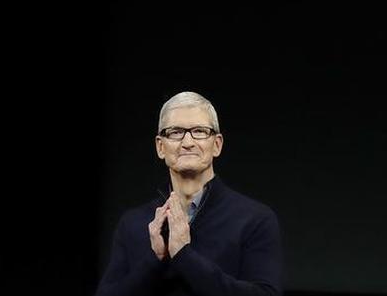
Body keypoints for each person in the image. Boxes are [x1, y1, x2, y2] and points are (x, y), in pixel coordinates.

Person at [96, 91, 283, 296]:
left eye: (199, 131)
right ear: (160, 147)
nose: (187, 143)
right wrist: (155, 259)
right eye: (175, 132)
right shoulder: (132, 223)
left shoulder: (255, 220)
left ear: (217, 144)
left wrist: (183, 256)